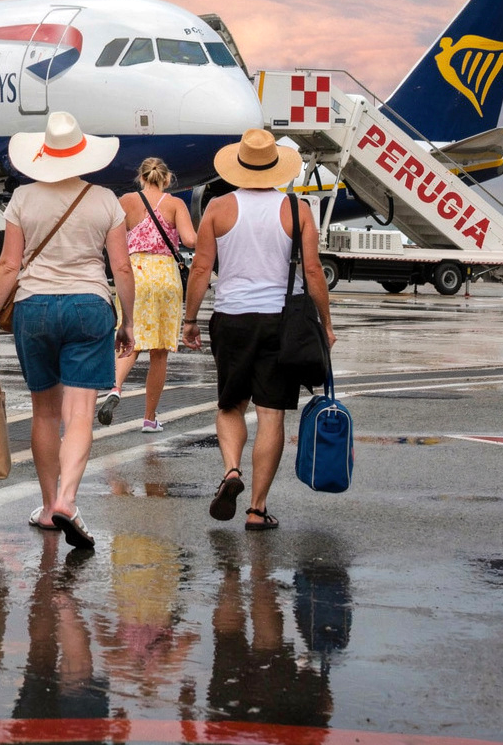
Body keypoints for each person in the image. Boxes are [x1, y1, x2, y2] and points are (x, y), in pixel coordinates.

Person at [0, 111, 134, 551]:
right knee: (81, 412)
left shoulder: (23, 199)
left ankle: (49, 507)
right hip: (90, 306)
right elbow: (121, 266)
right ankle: (69, 497)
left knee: (45, 411)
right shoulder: (106, 199)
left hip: (34, 308)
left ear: (43, 154)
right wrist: (128, 321)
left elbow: (9, 265)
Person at [181, 129, 335, 531]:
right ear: (275, 167)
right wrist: (327, 325)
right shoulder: (297, 209)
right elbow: (314, 271)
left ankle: (231, 470)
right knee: (270, 414)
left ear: (239, 166)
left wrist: (190, 319)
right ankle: (257, 508)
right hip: (282, 320)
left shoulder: (217, 208)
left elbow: (200, 268)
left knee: (230, 405)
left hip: (231, 318)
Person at [109, 158, 197, 430]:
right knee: (159, 352)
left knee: (129, 338)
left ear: (141, 177)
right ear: (166, 178)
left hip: (134, 273)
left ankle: (115, 387)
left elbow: (109, 237)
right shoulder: (175, 204)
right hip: (165, 276)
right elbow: (191, 241)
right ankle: (149, 418)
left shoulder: (125, 201)